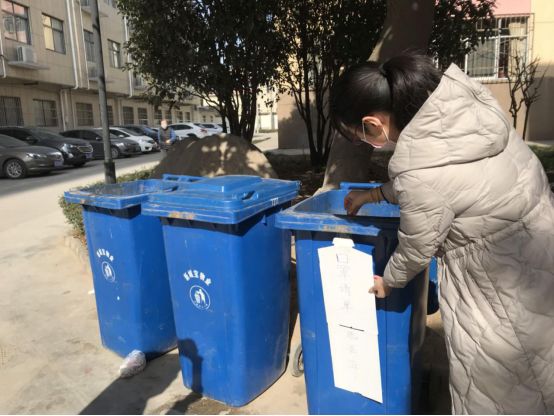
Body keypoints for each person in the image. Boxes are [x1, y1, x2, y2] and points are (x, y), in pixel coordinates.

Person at [330, 53, 554, 414]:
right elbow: (443, 181)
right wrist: (372, 195)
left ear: (373, 124)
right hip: (539, 249)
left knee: (500, 389)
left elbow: (417, 246)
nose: (365, 143)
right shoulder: (465, 114)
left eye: (359, 138)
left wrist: (388, 280)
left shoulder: (419, 168)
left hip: (496, 284)